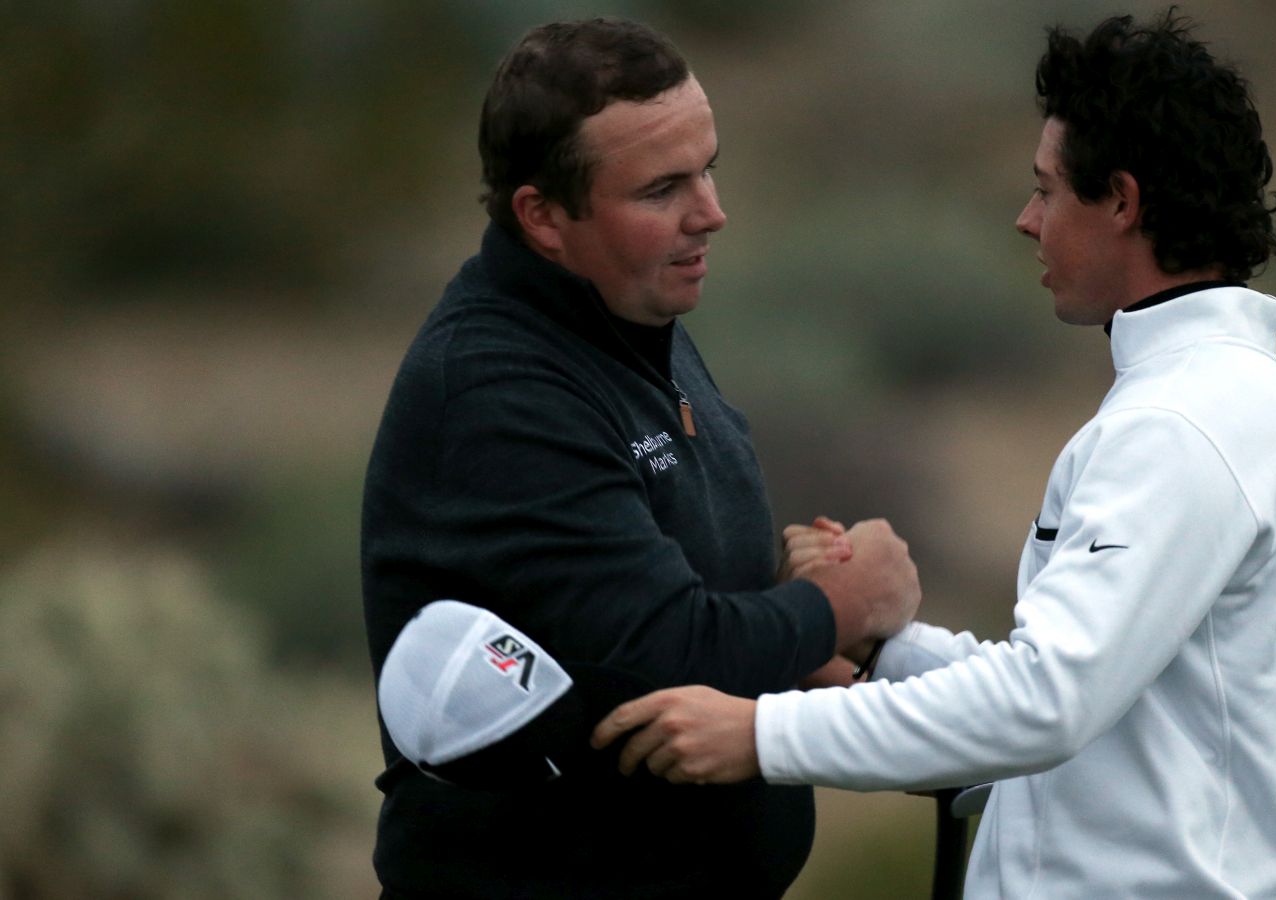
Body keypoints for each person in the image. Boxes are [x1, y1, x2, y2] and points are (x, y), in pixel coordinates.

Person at [594, 10, 1276, 899]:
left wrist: (758, 734)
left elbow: (1046, 703)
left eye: (1049, 189)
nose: (1027, 220)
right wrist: (879, 651)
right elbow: (1094, 710)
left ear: (1125, 201)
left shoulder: (1183, 424)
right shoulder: (1222, 399)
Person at [359, 17, 919, 899]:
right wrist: (837, 603)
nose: (711, 212)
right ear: (542, 216)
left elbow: (634, 603)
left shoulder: (631, 316)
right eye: (661, 189)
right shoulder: (496, 391)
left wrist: (781, 607)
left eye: (710, 167)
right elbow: (662, 657)